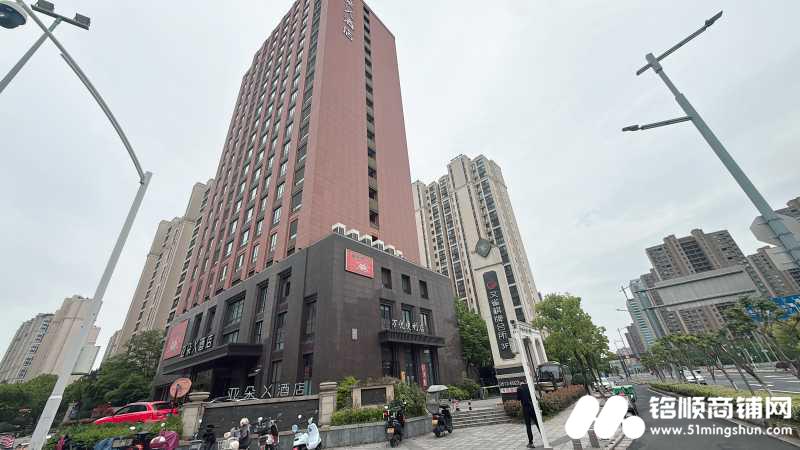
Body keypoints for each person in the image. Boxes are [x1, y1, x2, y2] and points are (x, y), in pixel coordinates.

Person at [516, 380, 541, 448]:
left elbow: (518, 398)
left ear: (520, 383)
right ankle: (543, 437)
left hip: (525, 409)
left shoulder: (519, 389)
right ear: (525, 382)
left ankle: (531, 442)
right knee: (538, 423)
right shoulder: (529, 387)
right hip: (532, 407)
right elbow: (535, 397)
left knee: (528, 425)